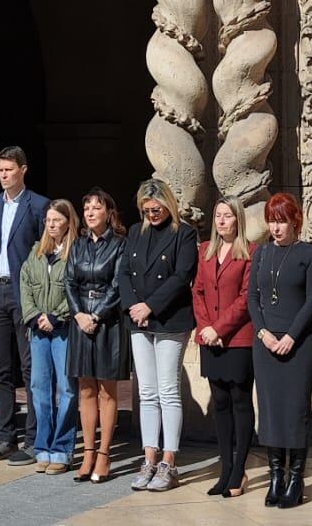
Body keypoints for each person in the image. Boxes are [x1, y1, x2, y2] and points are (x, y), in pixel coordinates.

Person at [120, 178, 198, 493]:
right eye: (146, 209)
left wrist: (150, 306)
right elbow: (124, 272)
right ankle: (148, 457)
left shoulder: (184, 234)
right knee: (146, 393)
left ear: (168, 204)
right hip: (139, 321)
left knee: (168, 391)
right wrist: (133, 307)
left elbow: (182, 276)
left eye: (157, 208)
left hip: (169, 320)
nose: (152, 214)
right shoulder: (136, 234)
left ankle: (169, 460)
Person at [250, 192, 312, 509]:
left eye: (281, 221)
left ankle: (296, 477)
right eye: (271, 220)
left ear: (295, 220)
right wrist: (263, 333)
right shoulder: (261, 253)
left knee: (295, 410)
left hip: (299, 344)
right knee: (270, 409)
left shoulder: (308, 253)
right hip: (265, 343)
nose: (275, 227)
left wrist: (291, 336)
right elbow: (252, 298)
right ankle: (275, 475)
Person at [0, 145, 50, 465]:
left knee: (30, 368)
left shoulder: (38, 206)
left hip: (25, 296)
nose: (4, 175)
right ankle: (5, 436)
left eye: (9, 170)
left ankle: (33, 438)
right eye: (0, 171)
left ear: (23, 169)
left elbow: (44, 254)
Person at [193, 198, 254, 498]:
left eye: (227, 216)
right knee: (219, 402)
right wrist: (206, 328)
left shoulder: (250, 252)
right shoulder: (205, 250)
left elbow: (245, 299)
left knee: (239, 401)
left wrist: (219, 328)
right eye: (218, 215)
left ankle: (239, 470)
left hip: (238, 338)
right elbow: (198, 292)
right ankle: (225, 467)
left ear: (237, 220)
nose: (222, 220)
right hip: (209, 338)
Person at [66, 187, 128, 484]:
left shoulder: (119, 245)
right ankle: (88, 452)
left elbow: (118, 285)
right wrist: (78, 314)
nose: (90, 212)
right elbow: (69, 281)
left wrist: (96, 315)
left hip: (107, 322)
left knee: (107, 389)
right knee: (85, 389)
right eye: (86, 207)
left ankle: (104, 455)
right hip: (81, 322)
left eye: (96, 207)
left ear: (109, 213)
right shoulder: (77, 245)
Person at [20, 199, 77, 474]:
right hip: (38, 330)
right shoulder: (37, 252)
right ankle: (43, 446)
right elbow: (25, 284)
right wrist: (33, 315)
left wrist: (56, 315)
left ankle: (63, 449)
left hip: (62, 328)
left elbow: (74, 288)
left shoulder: (75, 251)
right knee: (39, 388)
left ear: (68, 221)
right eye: (48, 220)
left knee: (66, 388)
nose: (52, 225)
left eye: (57, 220)